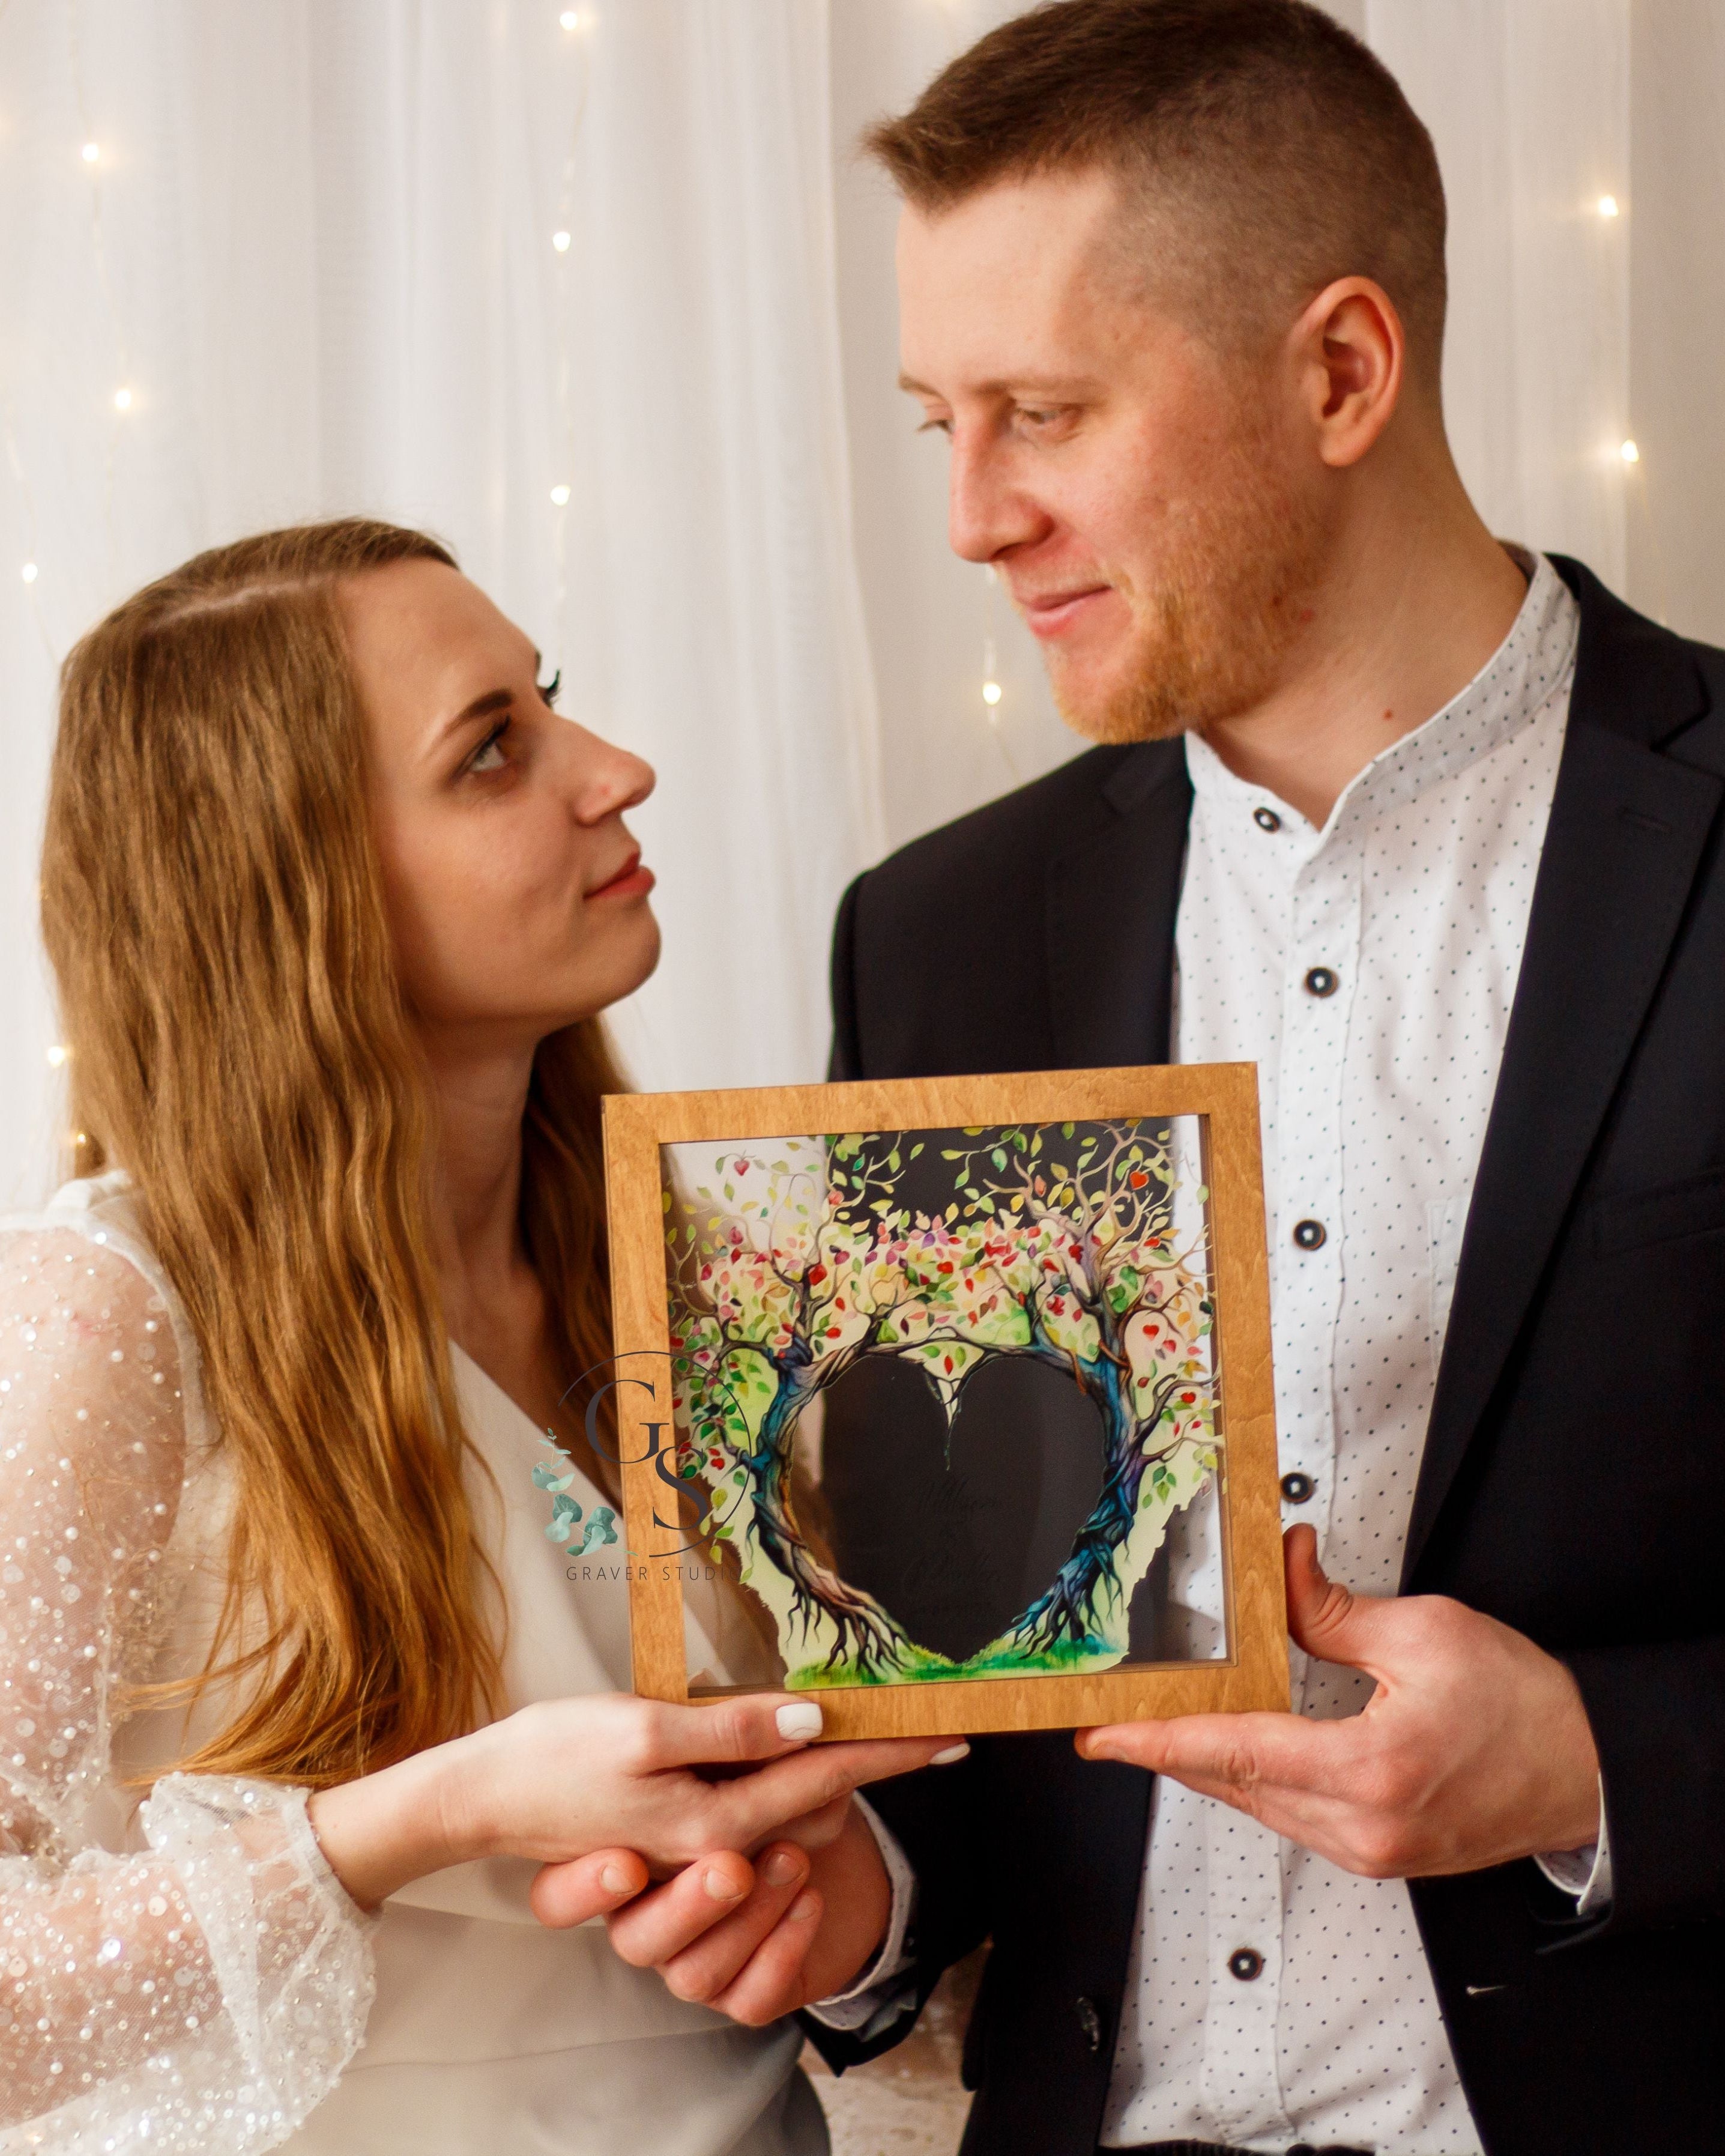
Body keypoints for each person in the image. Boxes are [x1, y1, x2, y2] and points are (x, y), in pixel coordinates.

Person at [611, 4, 1725, 2152]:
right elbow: (967, 1678)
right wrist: (859, 1900)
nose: (967, 517)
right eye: (938, 417)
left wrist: (1600, 1767)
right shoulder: (931, 938)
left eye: (1042, 413)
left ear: (1338, 371)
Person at [0, 518, 962, 2154]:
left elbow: (921, 1926)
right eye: (493, 752)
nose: (618, 770)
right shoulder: (106, 1319)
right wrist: (431, 1815)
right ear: (296, 884)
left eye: (552, 700)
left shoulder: (721, 1271)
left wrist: (845, 1907)